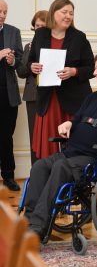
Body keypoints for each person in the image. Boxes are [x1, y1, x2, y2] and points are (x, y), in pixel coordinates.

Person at [24, 50, 97, 239]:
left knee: (60, 167)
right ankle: (27, 221)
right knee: (39, 166)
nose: (95, 73)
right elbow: (77, 119)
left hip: (94, 159)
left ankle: (37, 227)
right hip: (70, 153)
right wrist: (69, 123)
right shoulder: (92, 97)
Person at [27, 0, 94, 160]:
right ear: (53, 13)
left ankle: (69, 180)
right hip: (48, 100)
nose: (68, 16)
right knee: (49, 147)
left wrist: (74, 71)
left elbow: (91, 68)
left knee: (70, 147)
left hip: (72, 102)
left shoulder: (79, 37)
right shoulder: (41, 34)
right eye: (64, 12)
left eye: (71, 13)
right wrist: (32, 67)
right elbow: (30, 61)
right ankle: (49, 180)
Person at [16, 10, 48, 165]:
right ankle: (36, 173)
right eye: (37, 25)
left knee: (51, 137)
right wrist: (30, 67)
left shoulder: (56, 45)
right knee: (34, 137)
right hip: (33, 97)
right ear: (33, 27)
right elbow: (21, 72)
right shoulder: (28, 47)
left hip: (52, 96)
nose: (40, 28)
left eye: (43, 25)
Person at [0, 0, 23, 191]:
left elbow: (21, 62)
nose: (2, 15)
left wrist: (12, 60)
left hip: (8, 96)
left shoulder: (13, 31)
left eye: (5, 12)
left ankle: (8, 176)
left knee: (7, 137)